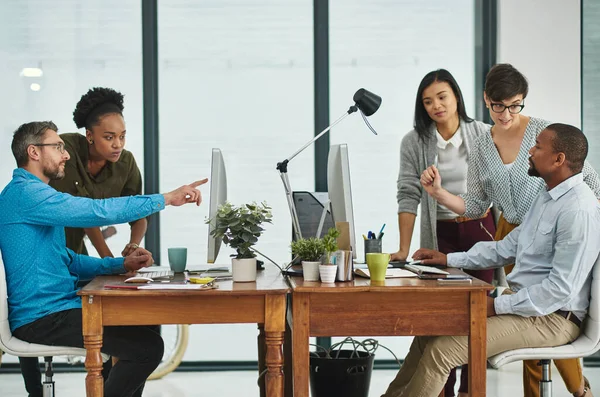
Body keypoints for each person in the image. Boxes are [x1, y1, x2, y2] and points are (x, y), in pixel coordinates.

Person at [419, 64, 599, 397]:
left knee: (544, 320)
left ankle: (580, 392)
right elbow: (475, 207)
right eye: (498, 106)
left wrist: (585, 227)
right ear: (486, 100)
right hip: (512, 232)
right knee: (524, 319)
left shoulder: (546, 135)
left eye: (515, 105)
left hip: (556, 228)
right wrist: (439, 194)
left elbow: (586, 179)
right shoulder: (483, 144)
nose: (506, 113)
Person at [382, 123, 599, 397]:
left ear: (559, 159)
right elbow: (505, 248)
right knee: (430, 332)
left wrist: (495, 306)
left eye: (538, 147)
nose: (529, 151)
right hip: (529, 306)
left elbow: (558, 291)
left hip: (552, 318)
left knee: (442, 351)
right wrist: (448, 258)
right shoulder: (547, 198)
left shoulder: (578, 210)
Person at [0, 121, 207, 397]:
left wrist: (121, 264)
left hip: (58, 308)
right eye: (58, 147)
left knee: (143, 328)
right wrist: (166, 198)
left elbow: (67, 260)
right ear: (34, 152)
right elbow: (97, 211)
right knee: (148, 347)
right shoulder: (26, 194)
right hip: (43, 318)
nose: (66, 154)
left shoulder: (36, 196)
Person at [18, 87, 152, 396]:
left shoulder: (126, 163)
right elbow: (84, 211)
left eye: (122, 136)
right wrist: (110, 263)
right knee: (37, 309)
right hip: (56, 246)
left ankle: (110, 384)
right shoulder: (66, 151)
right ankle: (34, 391)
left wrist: (130, 249)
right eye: (109, 137)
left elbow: (137, 210)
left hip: (72, 255)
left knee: (132, 330)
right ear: (90, 135)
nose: (117, 144)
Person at [391, 69, 495, 397]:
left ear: (456, 97)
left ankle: (470, 389)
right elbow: (408, 193)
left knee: (478, 316)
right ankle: (441, 391)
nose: (436, 105)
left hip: (480, 230)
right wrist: (402, 249)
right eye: (427, 101)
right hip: (440, 235)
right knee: (440, 318)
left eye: (442, 97)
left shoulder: (483, 134)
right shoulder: (415, 141)